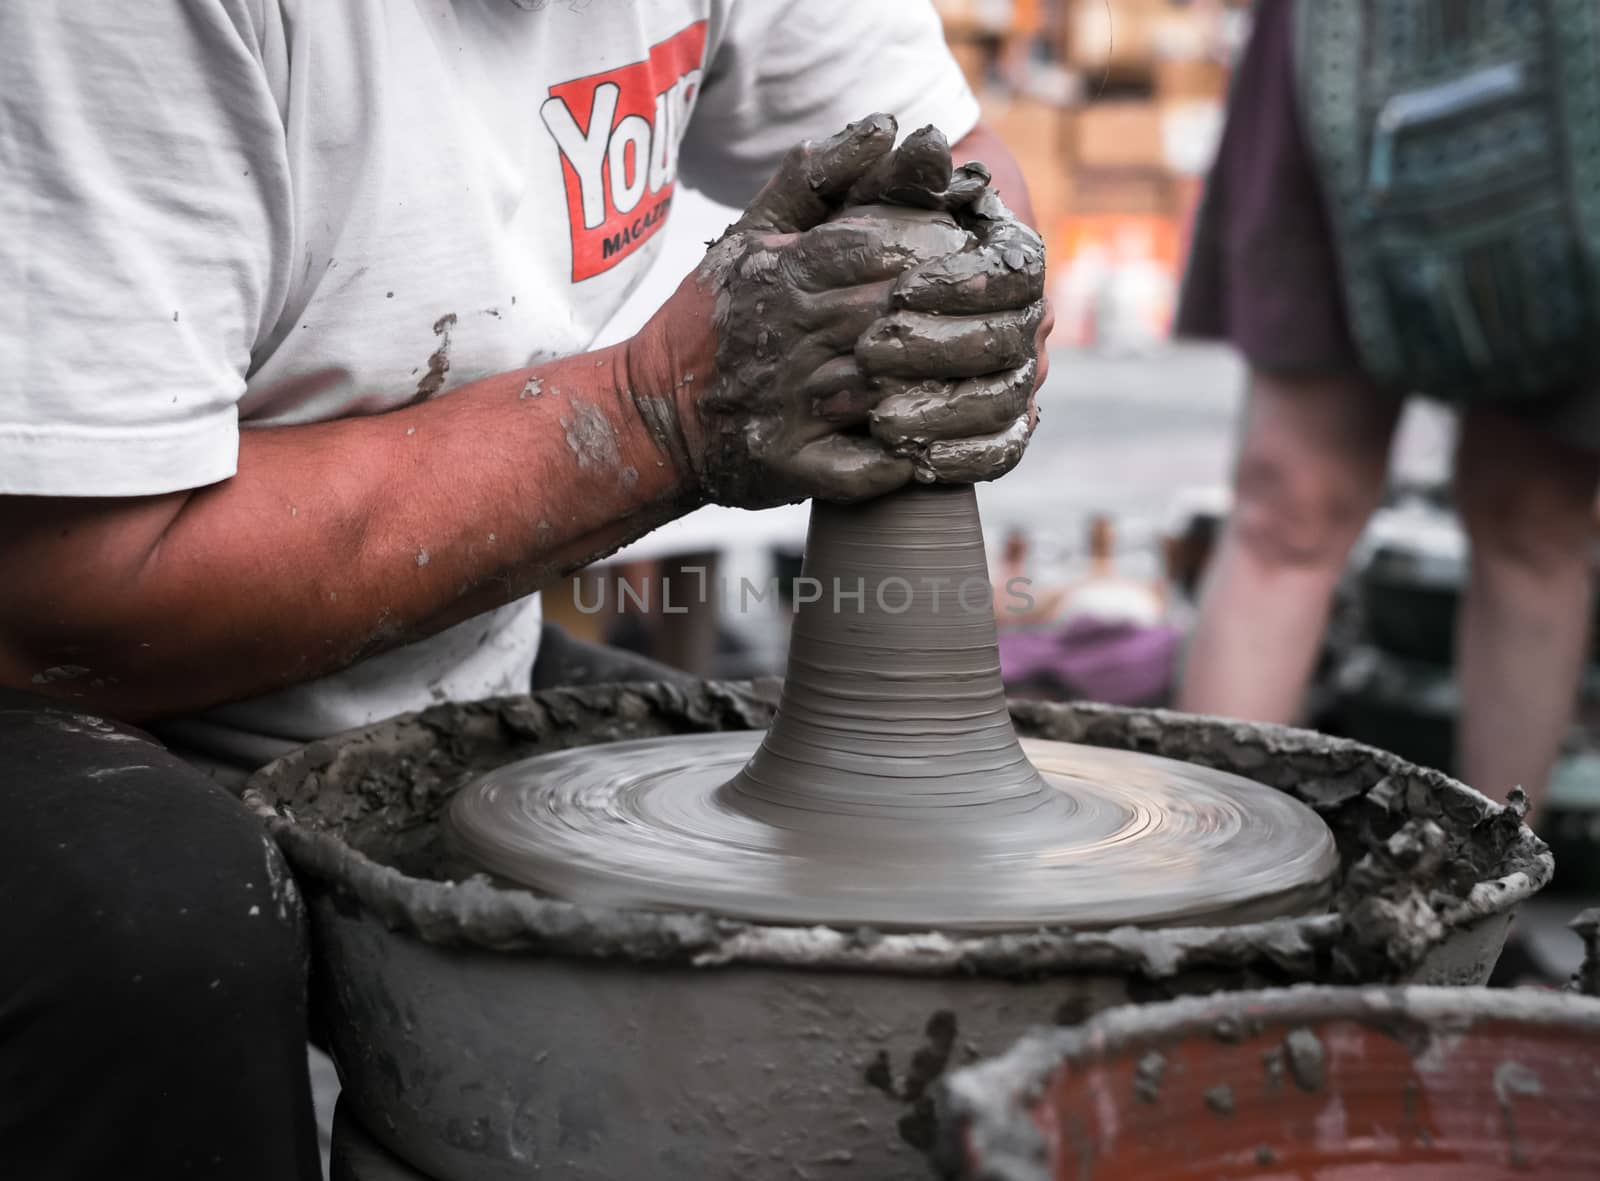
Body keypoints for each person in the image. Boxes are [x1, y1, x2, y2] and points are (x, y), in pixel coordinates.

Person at [0, 5, 1049, 1177]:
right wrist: (657, 414)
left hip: (422, 626)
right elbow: (67, 596)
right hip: (72, 686)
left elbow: (959, 169)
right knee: (155, 925)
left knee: (807, 863)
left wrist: (951, 307)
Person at [1175, 0, 1599, 823]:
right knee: (1288, 502)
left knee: (1536, 515)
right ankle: (1196, 909)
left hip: (1575, 60)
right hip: (1343, 40)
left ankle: (1492, 915)